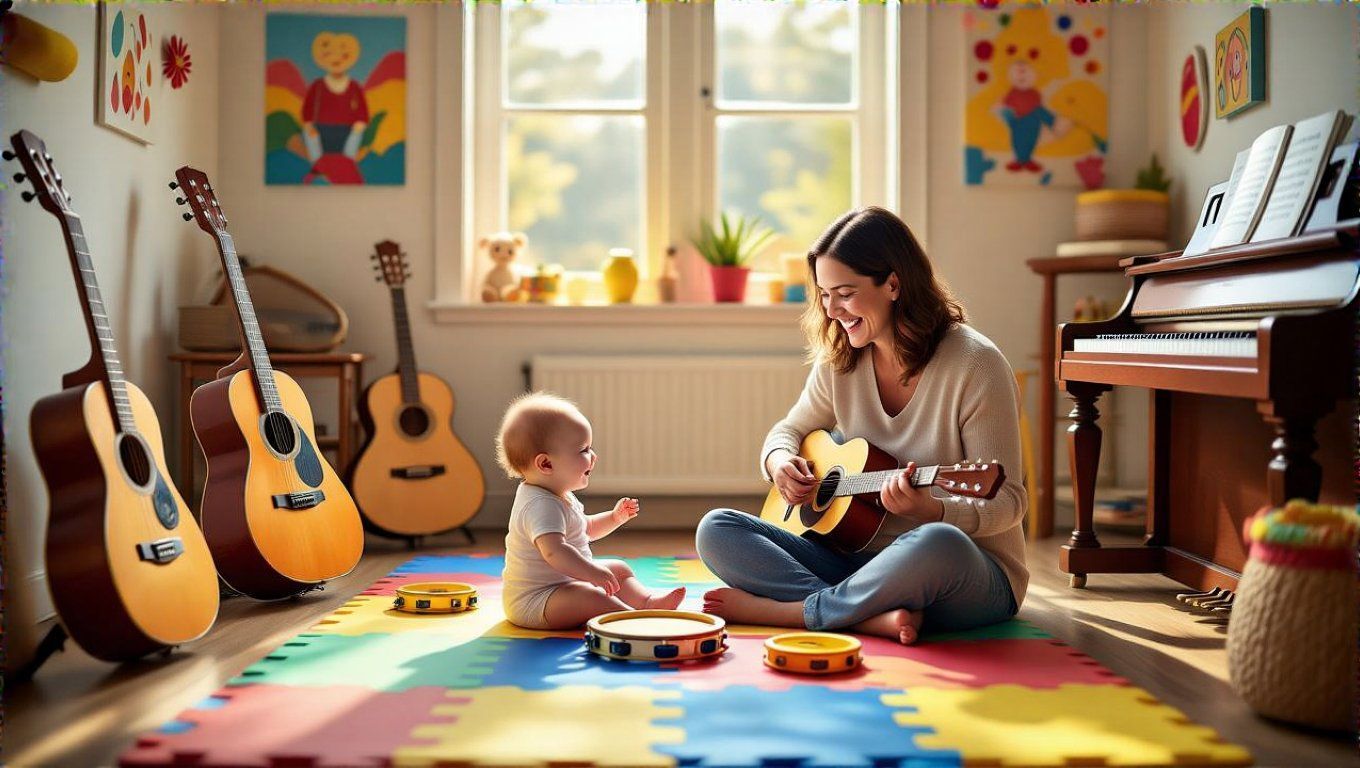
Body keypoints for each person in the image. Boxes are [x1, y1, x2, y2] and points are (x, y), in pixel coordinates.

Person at [695, 206, 1028, 645]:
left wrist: (934, 511)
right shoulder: (842, 360)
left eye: (845, 293)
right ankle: (864, 615)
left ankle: (798, 613)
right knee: (717, 529)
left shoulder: (976, 365)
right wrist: (779, 462)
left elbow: (1009, 502)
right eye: (824, 294)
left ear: (893, 283)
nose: (832, 310)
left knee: (935, 542)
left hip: (962, 573)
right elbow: (788, 430)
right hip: (857, 563)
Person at [497, 392, 685, 630]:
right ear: (546, 464)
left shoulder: (559, 494)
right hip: (535, 602)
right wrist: (591, 572)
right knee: (592, 596)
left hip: (563, 586)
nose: (593, 457)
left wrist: (614, 517)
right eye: (583, 450)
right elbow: (555, 552)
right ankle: (631, 620)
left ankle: (647, 602)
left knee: (618, 569)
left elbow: (585, 529)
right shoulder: (540, 505)